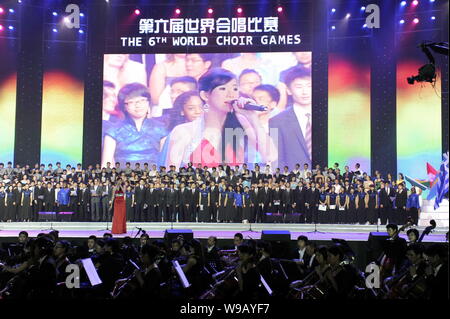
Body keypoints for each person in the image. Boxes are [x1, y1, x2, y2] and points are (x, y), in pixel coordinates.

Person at [163, 68, 277, 168]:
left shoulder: (242, 126)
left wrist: (252, 117)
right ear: (205, 95)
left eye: (234, 89)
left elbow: (271, 156)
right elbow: (171, 176)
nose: (231, 94)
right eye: (223, 89)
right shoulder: (184, 131)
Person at [102, 83, 167, 167]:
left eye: (142, 100)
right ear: (124, 106)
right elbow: (107, 164)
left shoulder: (160, 129)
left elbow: (165, 162)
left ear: (148, 102)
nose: (138, 105)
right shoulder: (113, 131)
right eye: (131, 102)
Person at [269, 67, 312, 170]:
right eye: (299, 87)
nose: (305, 91)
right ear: (288, 90)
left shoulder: (330, 116)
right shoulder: (276, 121)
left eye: (309, 86)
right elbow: (278, 161)